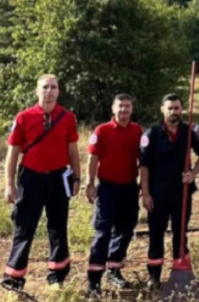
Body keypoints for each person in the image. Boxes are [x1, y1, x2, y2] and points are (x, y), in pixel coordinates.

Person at [2, 74, 81, 289]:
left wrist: (77, 177)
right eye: (45, 87)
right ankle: (13, 279)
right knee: (24, 228)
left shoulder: (67, 117)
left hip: (58, 178)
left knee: (58, 227)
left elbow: (73, 150)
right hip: (31, 178)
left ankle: (57, 276)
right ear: (37, 91)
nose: (49, 91)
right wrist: (9, 184)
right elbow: (13, 153)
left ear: (58, 91)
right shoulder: (23, 117)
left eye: (53, 87)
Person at [141, 93, 199, 288]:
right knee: (156, 234)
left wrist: (193, 173)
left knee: (181, 234)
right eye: (170, 108)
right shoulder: (151, 134)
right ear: (162, 109)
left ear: (182, 109)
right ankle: (154, 277)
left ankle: (181, 274)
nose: (174, 112)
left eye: (177, 108)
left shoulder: (189, 131)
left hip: (182, 191)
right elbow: (144, 166)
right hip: (158, 192)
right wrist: (145, 194)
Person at [85, 94, 143, 296]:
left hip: (129, 189)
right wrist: (90, 183)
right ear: (113, 108)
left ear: (131, 109)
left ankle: (114, 269)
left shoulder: (137, 131)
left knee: (125, 230)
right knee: (102, 233)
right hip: (107, 188)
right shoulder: (102, 130)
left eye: (127, 106)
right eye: (120, 106)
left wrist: (143, 184)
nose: (124, 110)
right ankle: (94, 281)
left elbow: (144, 160)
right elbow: (92, 158)